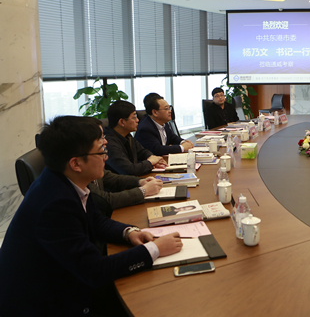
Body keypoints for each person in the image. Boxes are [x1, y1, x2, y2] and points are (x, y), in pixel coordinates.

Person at [0, 116, 183, 316]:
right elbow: (95, 271)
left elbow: (95, 220)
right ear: (76, 163)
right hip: (47, 303)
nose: (106, 157)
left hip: (68, 278)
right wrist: (154, 249)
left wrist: (129, 232)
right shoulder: (55, 205)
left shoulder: (64, 181)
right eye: (101, 150)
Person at [105, 100, 167, 176]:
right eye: (134, 117)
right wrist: (150, 163)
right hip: (121, 183)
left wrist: (152, 158)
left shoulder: (127, 135)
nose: (137, 120)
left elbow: (142, 151)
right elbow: (129, 170)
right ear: (122, 122)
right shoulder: (109, 143)